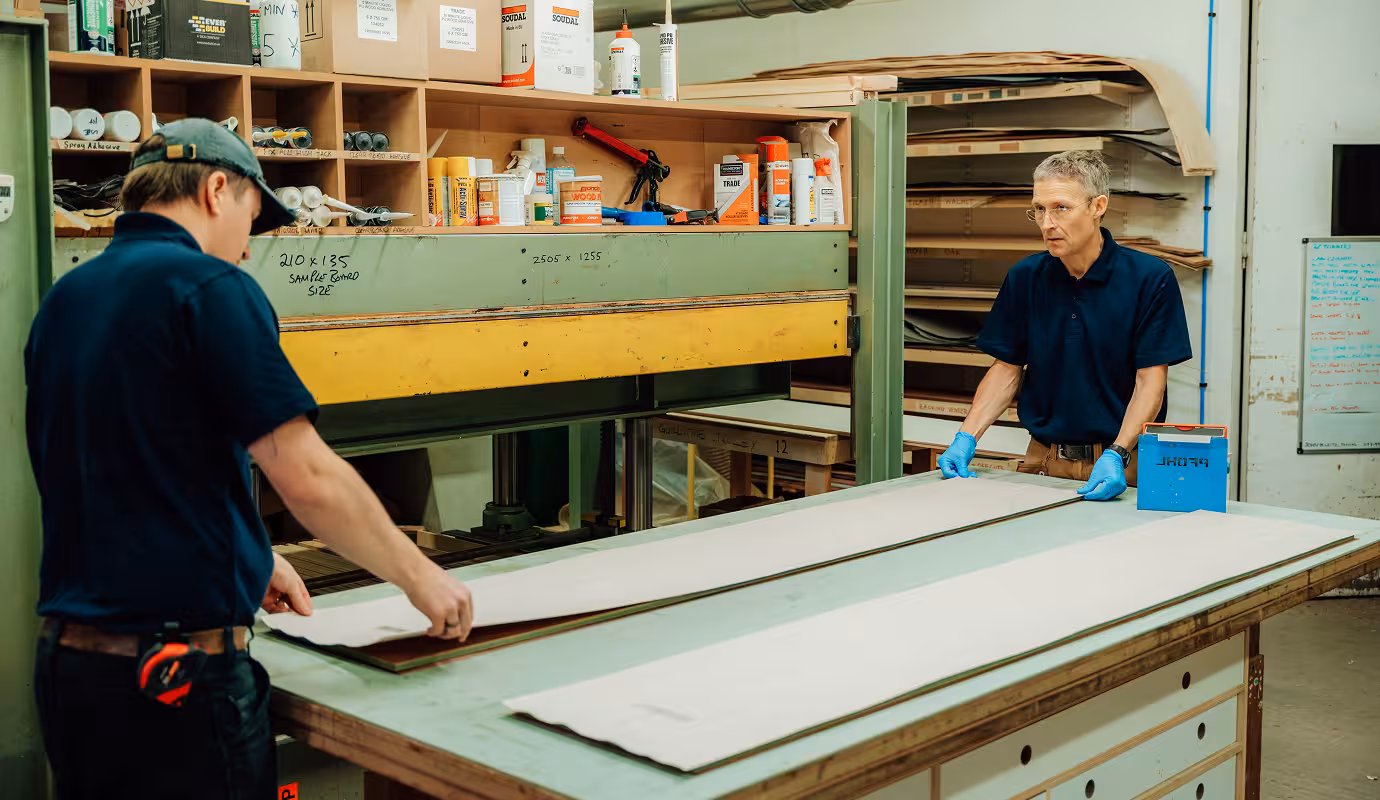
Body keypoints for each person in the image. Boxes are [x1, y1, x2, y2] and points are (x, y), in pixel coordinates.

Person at [26, 118, 474, 799]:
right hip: (176, 686)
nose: (246, 250)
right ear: (215, 190)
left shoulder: (64, 301)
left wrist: (247, 553)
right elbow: (308, 476)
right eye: (251, 219)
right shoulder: (210, 290)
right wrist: (420, 578)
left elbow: (123, 469)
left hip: (72, 677)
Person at [936, 150, 1192, 500]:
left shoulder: (1149, 279)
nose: (1046, 223)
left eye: (1060, 208)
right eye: (1038, 209)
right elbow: (1007, 369)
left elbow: (1150, 381)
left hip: (1121, 463)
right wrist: (966, 436)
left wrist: (1118, 452)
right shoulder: (1026, 278)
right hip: (1042, 459)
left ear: (1097, 206)